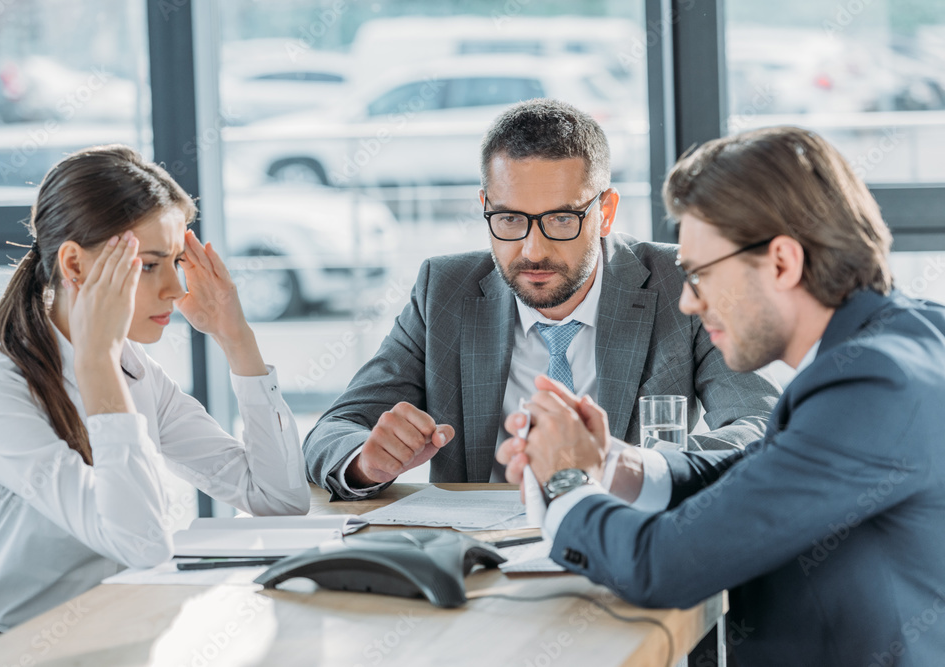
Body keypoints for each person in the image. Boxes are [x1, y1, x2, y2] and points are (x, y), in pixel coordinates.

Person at [498, 126, 945, 666]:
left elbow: (663, 566)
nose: (688, 301)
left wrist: (565, 479)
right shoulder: (903, 338)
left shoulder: (873, 385)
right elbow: (766, 473)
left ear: (782, 262)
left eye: (700, 274)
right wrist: (616, 463)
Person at [304, 99, 781, 500]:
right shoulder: (444, 289)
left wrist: (626, 466)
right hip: (480, 571)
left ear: (606, 212)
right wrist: (365, 461)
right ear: (485, 206)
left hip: (625, 550)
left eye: (560, 219)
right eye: (510, 219)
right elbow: (332, 431)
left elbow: (763, 429)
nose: (533, 250)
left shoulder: (678, 283)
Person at [0, 145, 309, 653]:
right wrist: (96, 364)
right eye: (150, 265)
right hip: (4, 647)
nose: (175, 289)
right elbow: (142, 546)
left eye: (177, 263)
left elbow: (280, 499)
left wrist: (236, 337)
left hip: (110, 633)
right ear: (74, 264)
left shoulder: (134, 369)